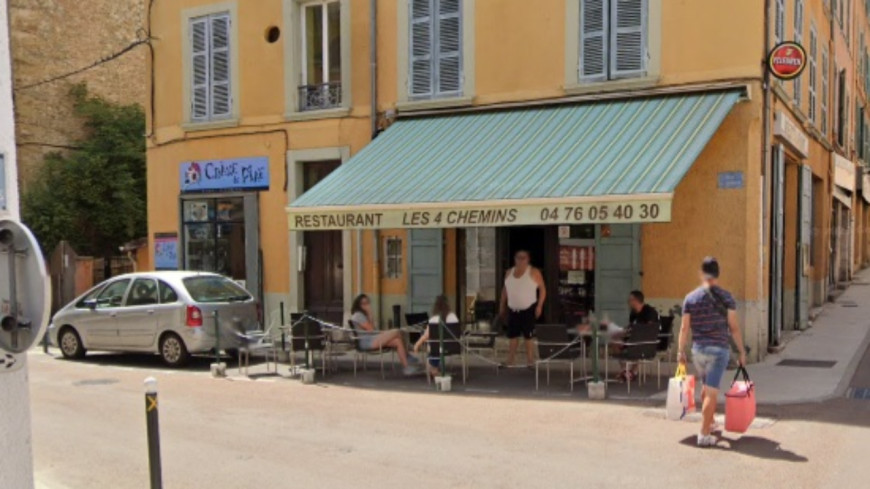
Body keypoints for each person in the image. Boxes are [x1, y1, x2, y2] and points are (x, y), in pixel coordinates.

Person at [677, 257, 747, 447]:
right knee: (711, 392)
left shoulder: (691, 298)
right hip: (718, 350)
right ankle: (703, 434)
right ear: (718, 274)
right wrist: (741, 351)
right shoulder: (726, 297)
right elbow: (734, 327)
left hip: (698, 350)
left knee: (706, 387)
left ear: (701, 273)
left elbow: (684, 328)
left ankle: (711, 421)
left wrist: (680, 351)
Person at [349, 294, 421, 376]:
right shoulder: (358, 315)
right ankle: (407, 356)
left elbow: (373, 330)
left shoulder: (362, 315)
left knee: (397, 341)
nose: (367, 305)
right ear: (358, 305)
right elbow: (371, 330)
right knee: (397, 331)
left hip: (371, 338)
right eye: (364, 303)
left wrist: (383, 332)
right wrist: (370, 314)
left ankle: (406, 367)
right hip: (366, 341)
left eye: (367, 302)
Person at [499, 250, 547, 367]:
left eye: (523, 258)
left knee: (528, 336)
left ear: (528, 259)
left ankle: (530, 360)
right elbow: (505, 290)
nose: (520, 260)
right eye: (518, 257)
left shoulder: (534, 272)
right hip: (513, 309)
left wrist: (540, 305)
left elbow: (542, 289)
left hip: (528, 309)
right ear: (514, 259)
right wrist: (502, 306)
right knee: (512, 335)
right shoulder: (509, 272)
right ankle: (510, 360)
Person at [413, 295, 460, 378]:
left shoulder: (433, 319)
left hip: (436, 349)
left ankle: (433, 367)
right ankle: (433, 368)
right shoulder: (454, 317)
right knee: (436, 343)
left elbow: (426, 335)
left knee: (432, 343)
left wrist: (417, 344)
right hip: (452, 347)